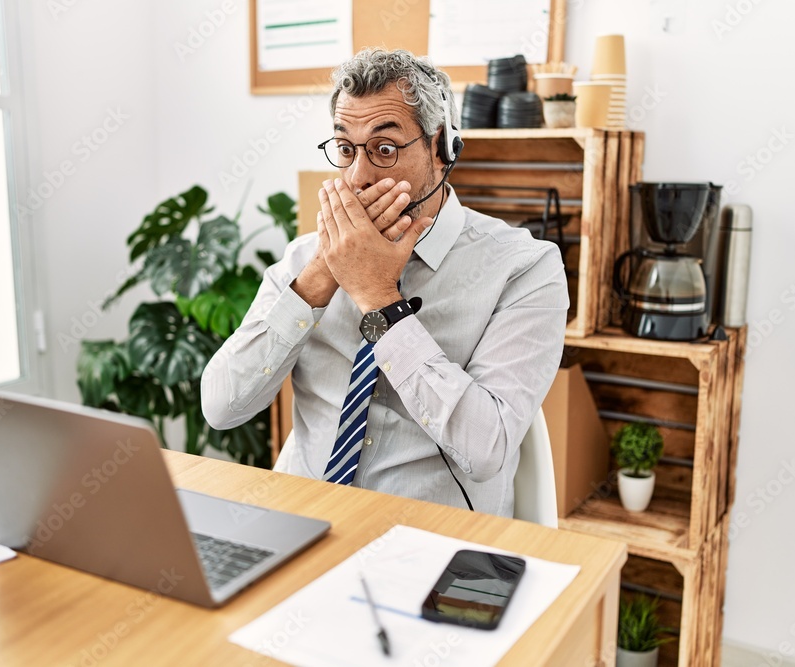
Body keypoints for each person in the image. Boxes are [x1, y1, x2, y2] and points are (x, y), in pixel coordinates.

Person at [201, 48, 568, 517]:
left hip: (435, 543)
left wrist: (378, 297)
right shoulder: (303, 259)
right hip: (306, 525)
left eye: (385, 149)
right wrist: (320, 275)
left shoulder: (524, 268)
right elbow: (221, 407)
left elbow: (485, 450)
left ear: (442, 149)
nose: (358, 176)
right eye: (347, 149)